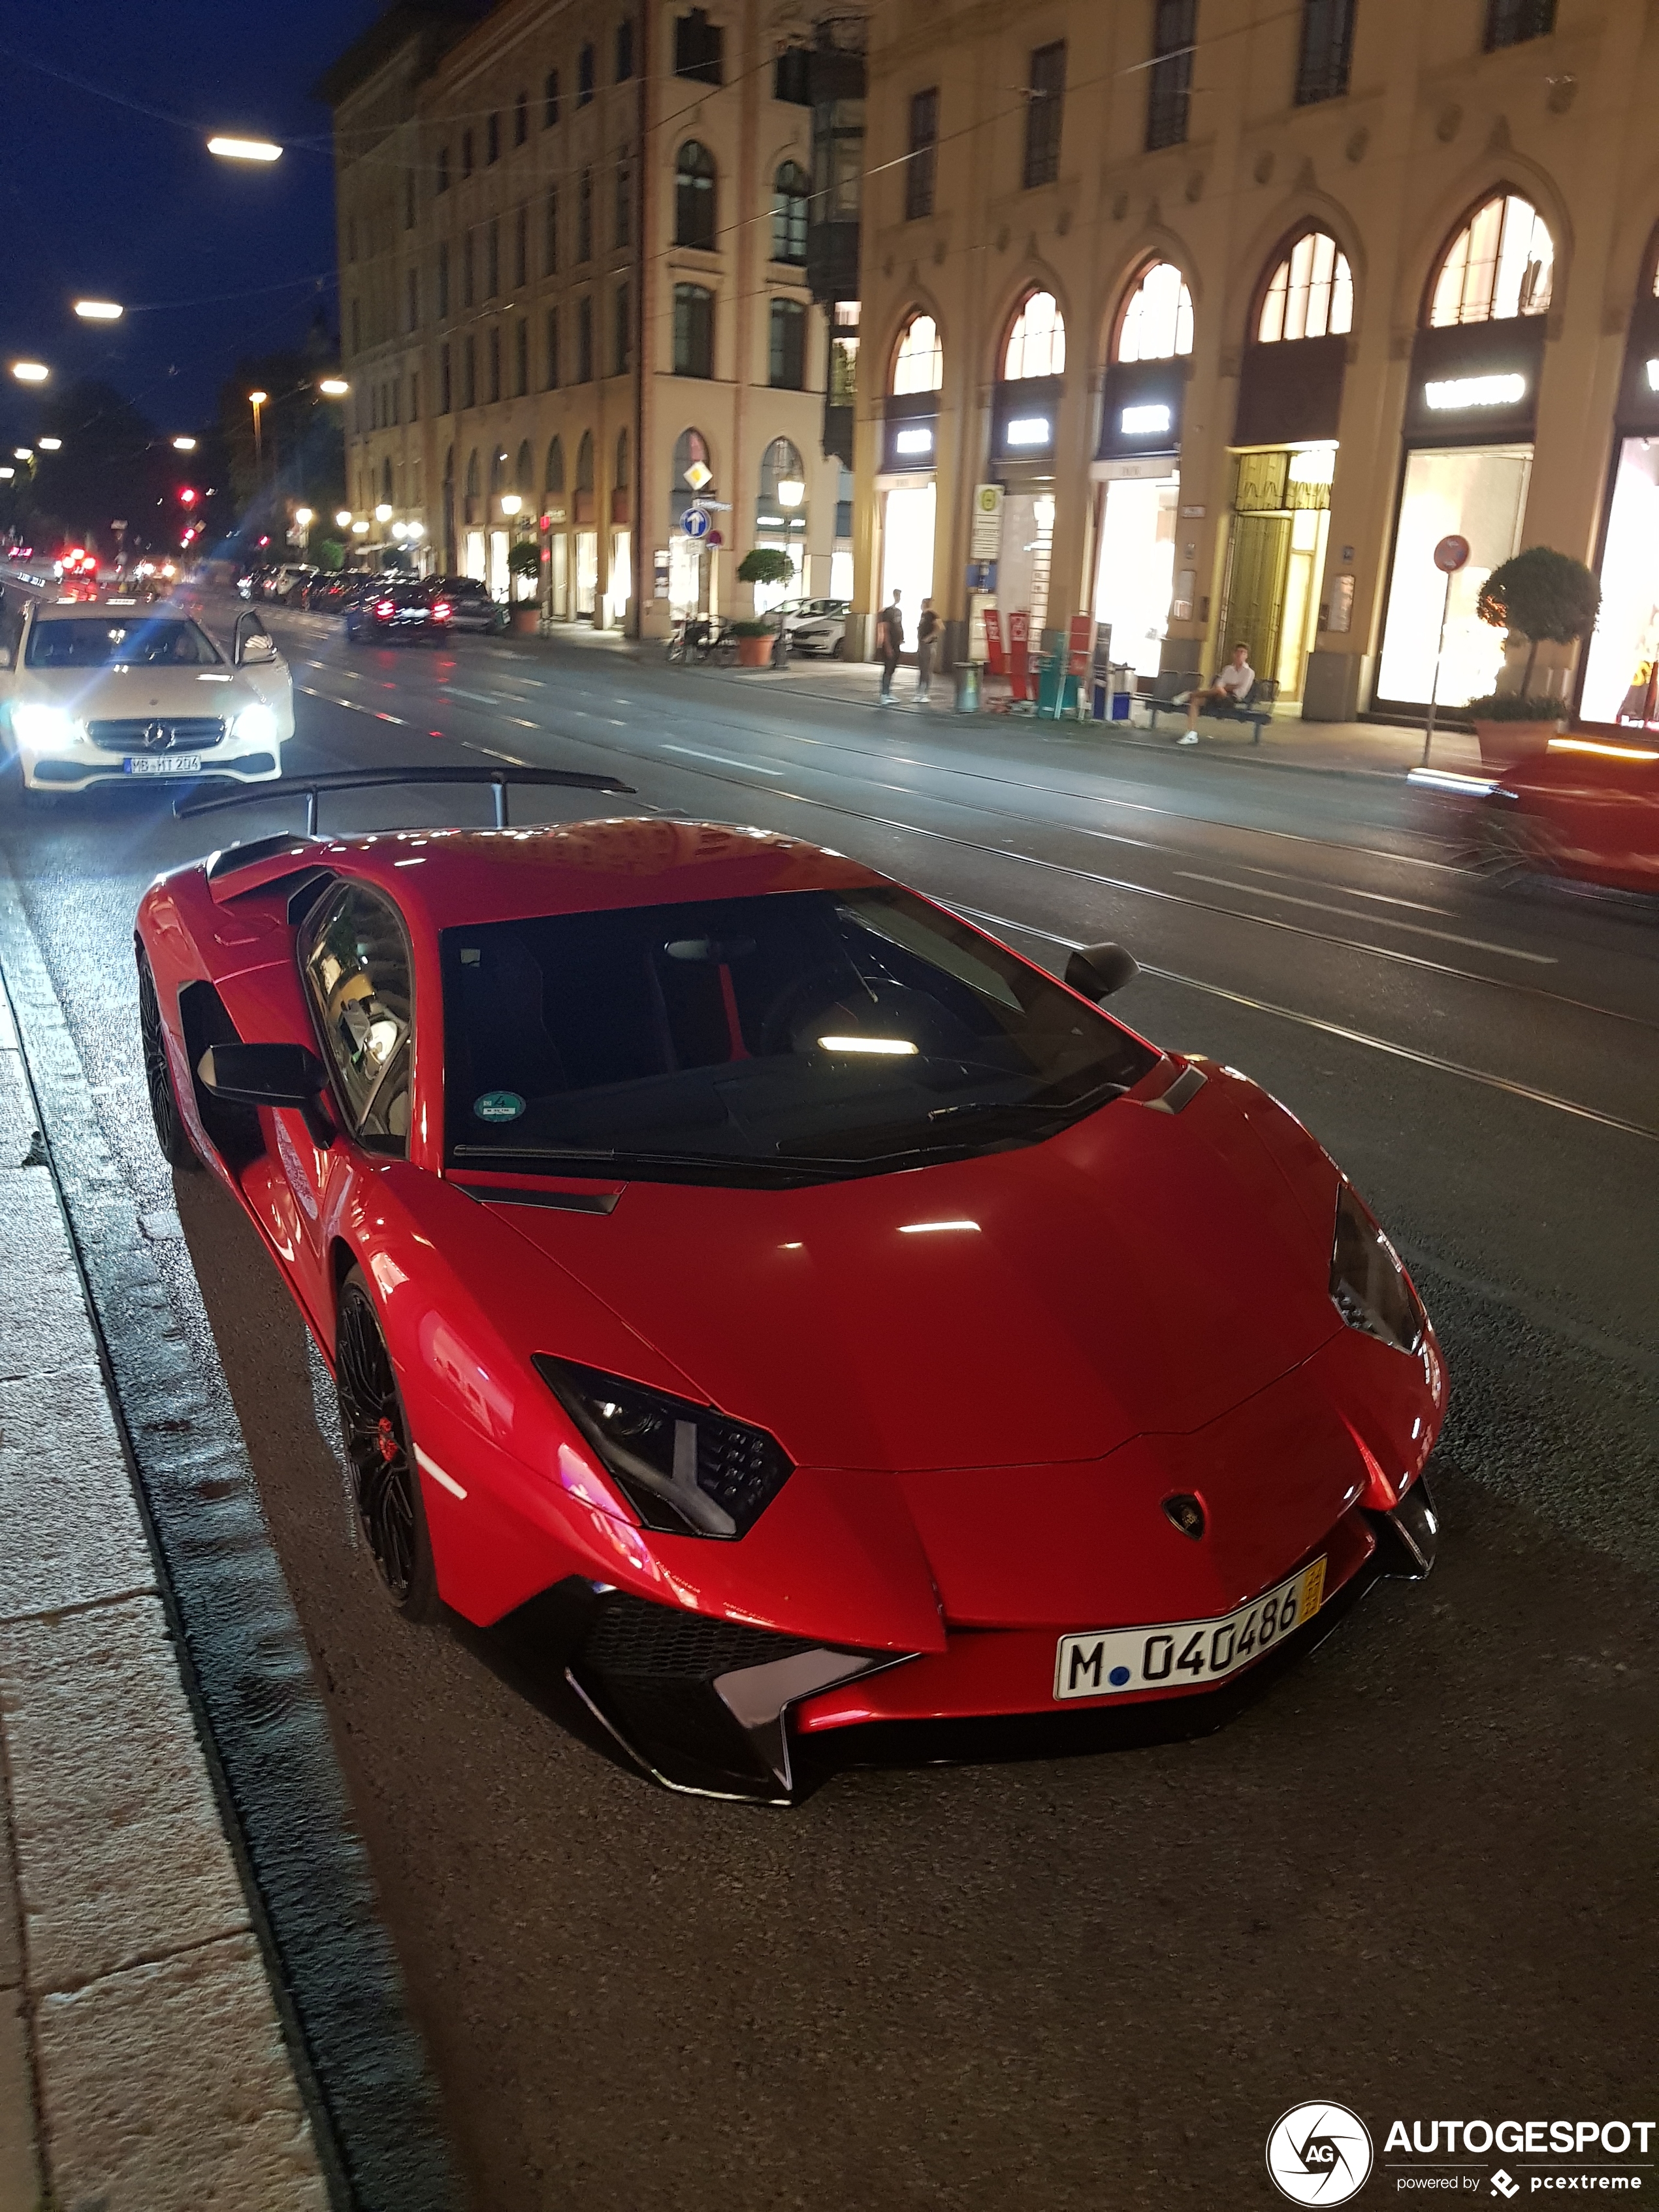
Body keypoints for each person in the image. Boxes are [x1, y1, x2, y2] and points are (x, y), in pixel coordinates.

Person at [1180, 642, 1254, 743]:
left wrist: (1225, 688)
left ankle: (1189, 694)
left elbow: (1241, 690)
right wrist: (1229, 687)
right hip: (1217, 695)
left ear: (1246, 656)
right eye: (1238, 652)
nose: (1240, 655)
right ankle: (1191, 734)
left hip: (1233, 699)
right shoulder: (1228, 669)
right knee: (1196, 701)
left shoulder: (1249, 672)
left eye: (1243, 653)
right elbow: (1219, 684)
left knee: (1219, 690)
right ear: (1234, 654)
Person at [877, 588, 903, 703]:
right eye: (897, 595)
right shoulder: (887, 612)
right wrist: (887, 646)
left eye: (899, 596)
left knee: (892, 669)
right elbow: (885, 629)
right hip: (890, 645)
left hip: (896, 644)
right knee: (888, 669)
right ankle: (884, 694)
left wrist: (901, 639)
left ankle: (888, 693)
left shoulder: (898, 612)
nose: (898, 598)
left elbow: (898, 626)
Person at [914, 596, 940, 703]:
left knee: (927, 669)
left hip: (929, 645)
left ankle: (925, 693)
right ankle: (919, 692)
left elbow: (940, 627)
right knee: (922, 669)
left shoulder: (932, 614)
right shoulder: (924, 615)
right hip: (922, 645)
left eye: (924, 603)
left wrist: (929, 637)